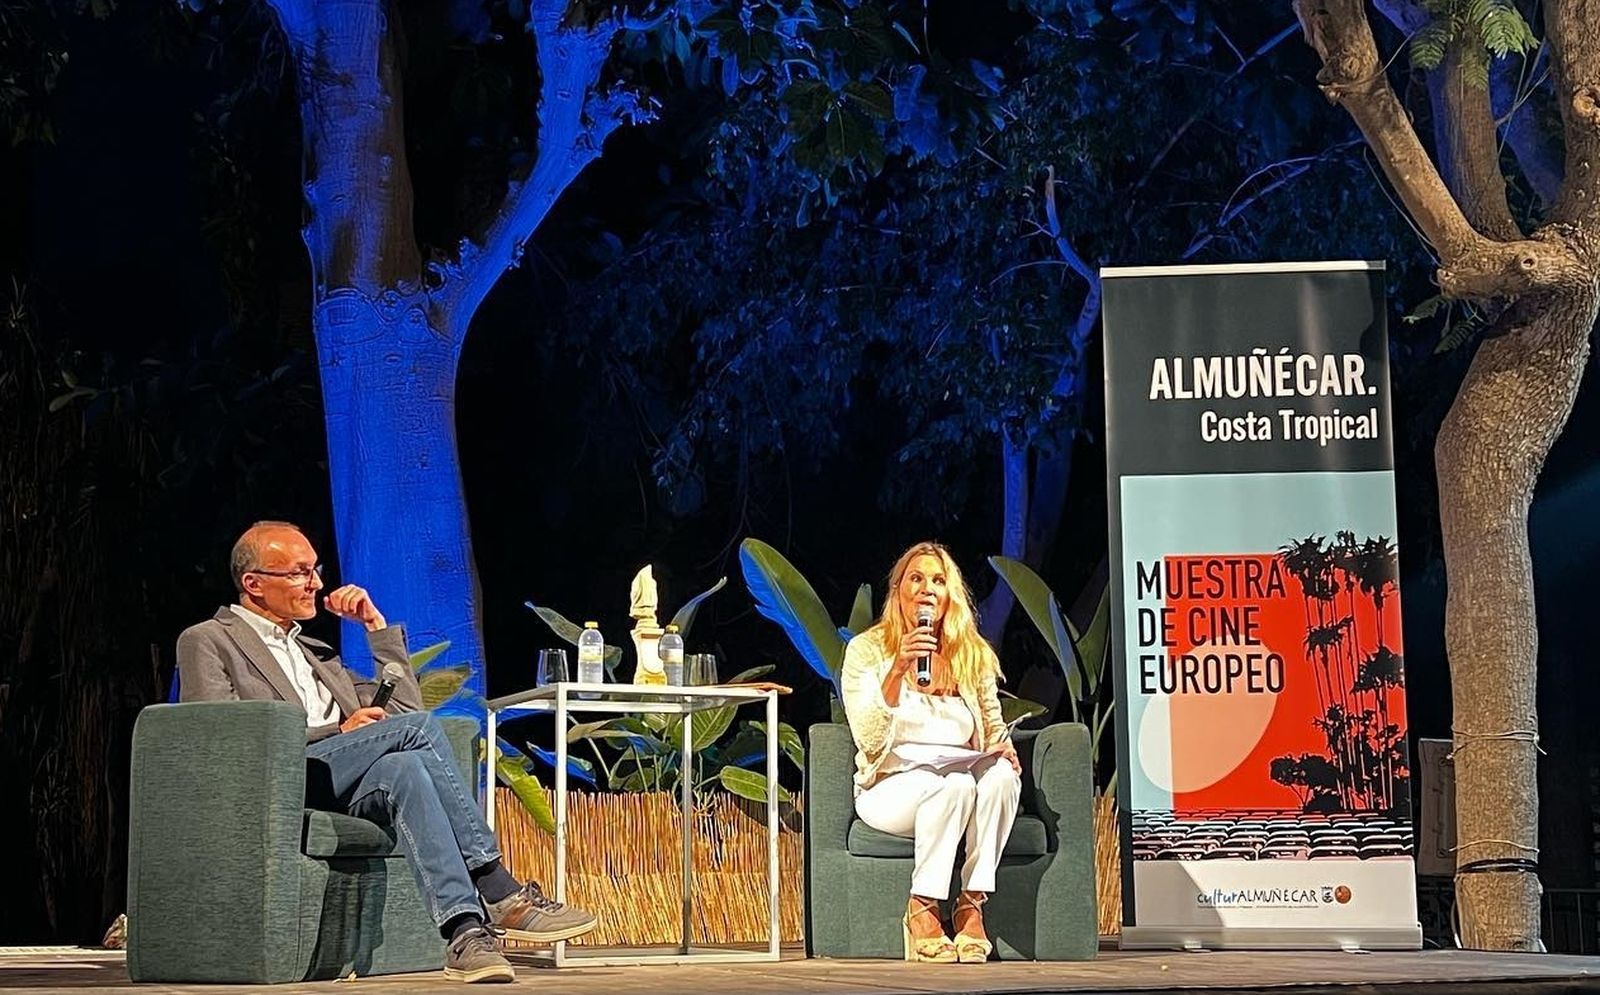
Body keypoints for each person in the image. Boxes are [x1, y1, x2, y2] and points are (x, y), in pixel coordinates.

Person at [177, 521, 597, 984]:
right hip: (283, 777)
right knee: (411, 738)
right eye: (299, 573)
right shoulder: (208, 638)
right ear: (253, 584)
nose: (316, 583)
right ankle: (498, 887)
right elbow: (221, 735)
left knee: (404, 767)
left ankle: (464, 933)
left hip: (341, 776)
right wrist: (336, 728)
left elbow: (405, 712)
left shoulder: (315, 650)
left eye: (316, 570)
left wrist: (375, 628)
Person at [840, 541, 1021, 963]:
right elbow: (867, 737)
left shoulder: (970, 655)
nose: (926, 589)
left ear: (948, 595)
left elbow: (993, 726)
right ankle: (922, 908)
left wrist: (1003, 750)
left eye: (938, 581)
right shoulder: (866, 652)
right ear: (898, 590)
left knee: (1000, 778)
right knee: (952, 786)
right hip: (891, 788)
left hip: (958, 778)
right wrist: (897, 669)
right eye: (916, 579)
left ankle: (971, 904)